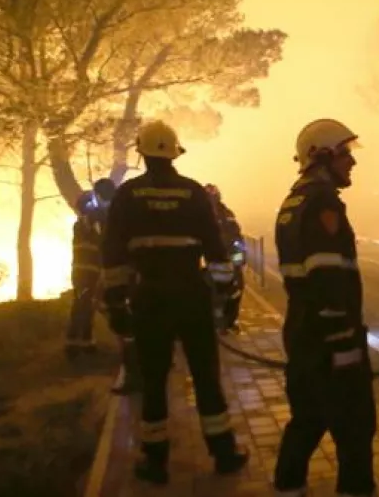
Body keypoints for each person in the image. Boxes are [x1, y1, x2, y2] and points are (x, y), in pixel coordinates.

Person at [100, 120, 249, 485]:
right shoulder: (194, 192)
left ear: (142, 153)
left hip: (149, 299)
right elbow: (216, 252)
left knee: (153, 382)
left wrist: (117, 306)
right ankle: (224, 453)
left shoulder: (127, 196)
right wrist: (224, 300)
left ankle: (155, 462)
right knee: (206, 378)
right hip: (192, 297)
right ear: (174, 152)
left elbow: (113, 256)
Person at [273, 118, 376, 497]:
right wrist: (344, 342)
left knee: (308, 420)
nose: (352, 162)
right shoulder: (322, 202)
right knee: (355, 429)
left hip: (303, 332)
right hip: (330, 338)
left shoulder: (294, 201)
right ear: (322, 155)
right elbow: (327, 277)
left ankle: (287, 487)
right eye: (345, 153)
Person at [64, 190, 103, 357]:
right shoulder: (81, 226)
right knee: (82, 306)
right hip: (83, 273)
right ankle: (78, 344)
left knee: (87, 306)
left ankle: (83, 342)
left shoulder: (91, 225)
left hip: (89, 273)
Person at [205, 183, 246, 333]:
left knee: (236, 289)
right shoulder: (199, 214)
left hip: (229, 259)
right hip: (209, 261)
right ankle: (213, 322)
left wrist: (239, 258)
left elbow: (237, 236)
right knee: (211, 293)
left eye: (213, 197)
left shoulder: (227, 213)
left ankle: (229, 321)